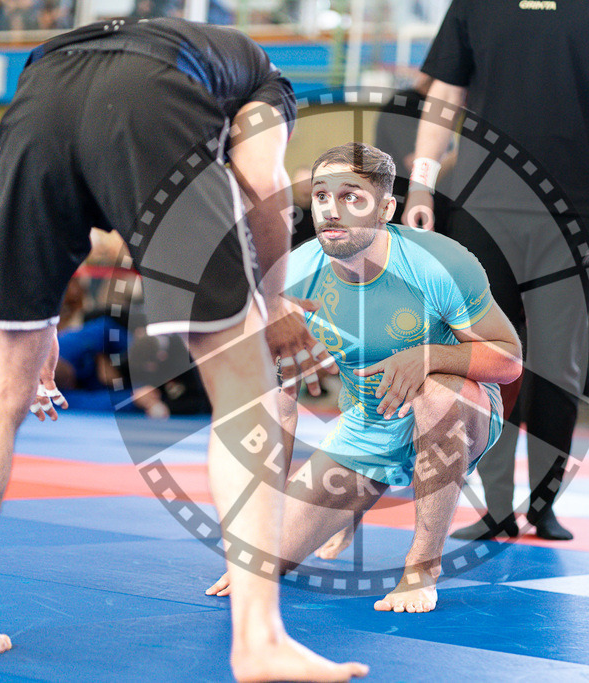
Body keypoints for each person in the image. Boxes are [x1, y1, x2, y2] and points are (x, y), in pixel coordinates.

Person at [0, 18, 367, 683]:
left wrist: (35, 324)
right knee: (248, 390)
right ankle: (259, 639)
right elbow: (261, 177)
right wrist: (274, 306)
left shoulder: (73, 52)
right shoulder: (266, 80)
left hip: (41, 87)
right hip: (152, 100)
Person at [205, 142, 521, 612]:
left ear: (386, 207)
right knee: (267, 564)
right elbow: (280, 406)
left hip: (459, 408)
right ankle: (358, 495)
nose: (332, 211)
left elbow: (509, 359)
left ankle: (421, 567)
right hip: (369, 422)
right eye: (322, 197)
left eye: (352, 197)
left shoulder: (440, 263)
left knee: (434, 393)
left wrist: (428, 355)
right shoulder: (293, 278)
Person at [403, 0, 589, 540]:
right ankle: (495, 507)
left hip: (572, 208)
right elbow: (445, 93)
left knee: (559, 363)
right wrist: (422, 183)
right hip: (482, 204)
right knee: (486, 356)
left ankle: (543, 503)